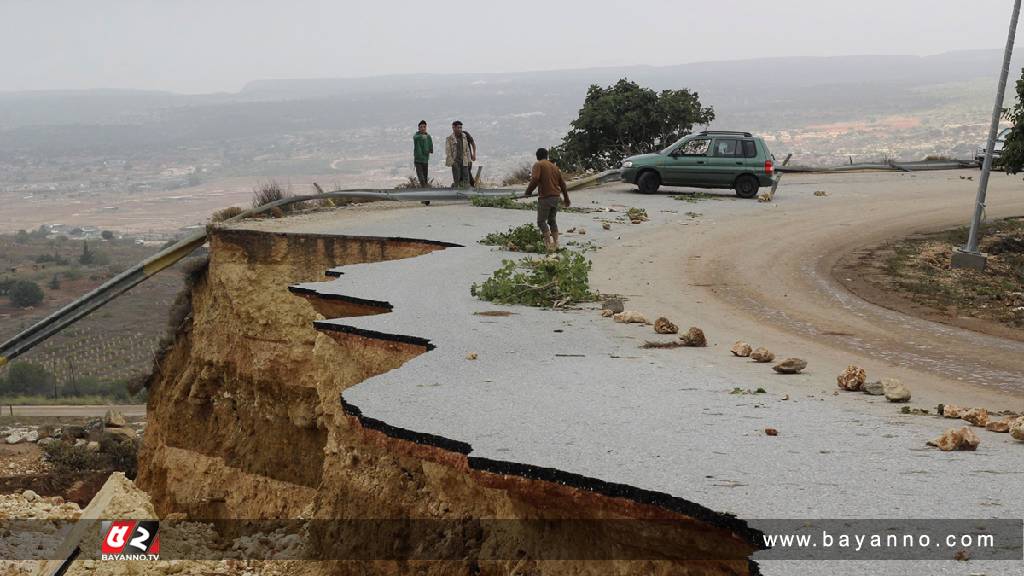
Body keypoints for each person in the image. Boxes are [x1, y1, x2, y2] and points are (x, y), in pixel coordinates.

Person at [523, 148, 570, 252]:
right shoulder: (554, 167)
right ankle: (556, 242)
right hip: (556, 197)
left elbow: (535, 179)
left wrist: (528, 191)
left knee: (541, 221)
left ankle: (548, 244)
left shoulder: (538, 164)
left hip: (546, 197)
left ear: (537, 156)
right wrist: (566, 199)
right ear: (547, 156)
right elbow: (562, 184)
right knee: (552, 221)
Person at [445, 120, 475, 188]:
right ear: (453, 128)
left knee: (466, 178)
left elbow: (467, 150)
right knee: (457, 179)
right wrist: (452, 162)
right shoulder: (450, 139)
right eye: (458, 127)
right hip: (456, 161)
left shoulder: (464, 137)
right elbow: (448, 151)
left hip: (464, 161)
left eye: (460, 127)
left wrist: (469, 160)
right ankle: (456, 193)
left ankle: (466, 193)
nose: (459, 129)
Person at [413, 120, 433, 187]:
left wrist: (430, 150)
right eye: (421, 127)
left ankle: (425, 189)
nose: (423, 128)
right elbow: (415, 138)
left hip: (425, 159)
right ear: (418, 128)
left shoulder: (428, 136)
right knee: (420, 176)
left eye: (424, 127)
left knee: (425, 176)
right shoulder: (417, 136)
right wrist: (422, 136)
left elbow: (430, 144)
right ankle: (423, 187)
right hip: (418, 159)